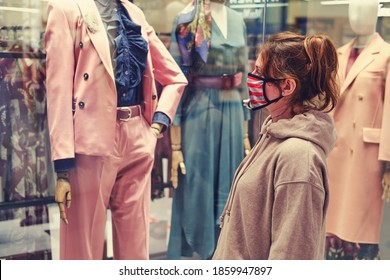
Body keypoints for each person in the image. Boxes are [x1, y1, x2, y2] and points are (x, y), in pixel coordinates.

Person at [44, 0, 187, 260]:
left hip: (137, 138)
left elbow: (175, 77)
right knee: (82, 249)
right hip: (90, 143)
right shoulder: (65, 9)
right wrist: (62, 167)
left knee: (136, 248)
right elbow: (58, 91)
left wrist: (157, 124)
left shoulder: (134, 13)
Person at [212, 31, 339, 260]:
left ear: (287, 87)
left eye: (260, 73)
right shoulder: (274, 131)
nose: (252, 77)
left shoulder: (299, 157)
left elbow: (292, 256)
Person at [167, 0, 251, 259]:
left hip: (234, 111)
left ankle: (226, 253)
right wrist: (176, 146)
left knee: (231, 183)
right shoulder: (186, 19)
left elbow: (244, 75)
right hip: (200, 111)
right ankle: (200, 253)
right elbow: (176, 80)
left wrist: (246, 133)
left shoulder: (238, 20)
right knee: (197, 184)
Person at [325, 0, 390, 260]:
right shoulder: (337, 53)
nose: (356, 13)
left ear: (376, 12)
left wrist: (388, 163)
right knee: (330, 222)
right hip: (334, 150)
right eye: (352, 7)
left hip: (365, 155)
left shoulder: (386, 54)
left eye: (363, 7)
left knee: (359, 227)